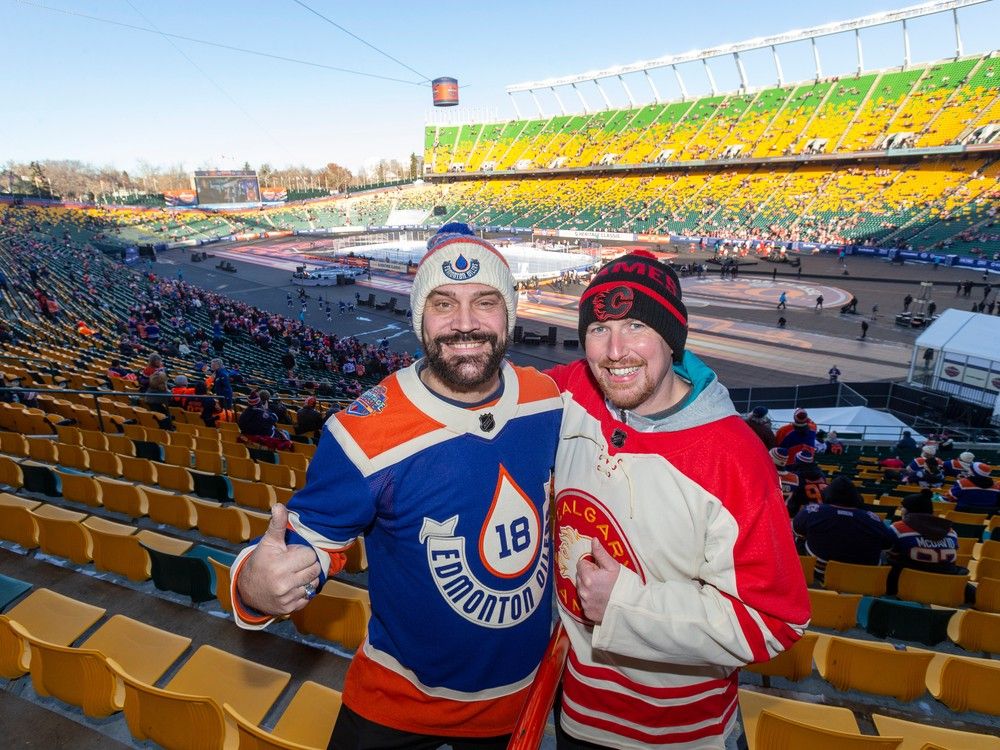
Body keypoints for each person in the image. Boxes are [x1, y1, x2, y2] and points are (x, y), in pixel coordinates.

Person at [230, 224, 563, 746]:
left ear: (510, 314)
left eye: (486, 302)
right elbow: (301, 548)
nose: (466, 323)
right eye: (443, 303)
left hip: (520, 701)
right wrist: (254, 585)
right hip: (396, 706)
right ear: (419, 318)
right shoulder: (362, 432)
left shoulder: (547, 399)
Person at [548, 250, 808, 749]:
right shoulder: (571, 393)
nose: (615, 350)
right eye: (599, 330)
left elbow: (776, 619)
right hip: (577, 714)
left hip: (681, 734)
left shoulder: (734, 455)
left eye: (635, 327)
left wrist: (624, 605)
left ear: (672, 338)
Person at [793, 475, 896, 583]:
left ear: (829, 494)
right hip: (864, 577)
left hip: (821, 572)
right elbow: (888, 545)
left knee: (797, 538)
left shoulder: (812, 511)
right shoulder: (874, 518)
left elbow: (797, 530)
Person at [886, 489, 963, 595]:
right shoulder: (951, 532)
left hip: (907, 585)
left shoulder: (898, 528)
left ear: (908, 510)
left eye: (903, 507)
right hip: (942, 587)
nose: (901, 509)